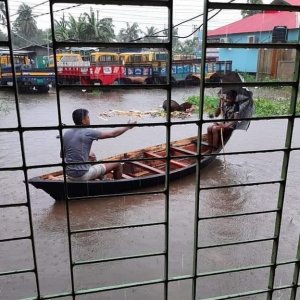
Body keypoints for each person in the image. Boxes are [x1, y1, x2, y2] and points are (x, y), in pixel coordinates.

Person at [62, 108, 136, 180]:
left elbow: (62, 155)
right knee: (118, 164)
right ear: (83, 121)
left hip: (69, 173)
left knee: (92, 156)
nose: (89, 119)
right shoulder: (88, 132)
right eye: (88, 117)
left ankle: (101, 178)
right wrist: (128, 127)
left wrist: (86, 156)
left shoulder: (66, 133)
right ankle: (116, 187)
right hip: (82, 175)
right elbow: (113, 134)